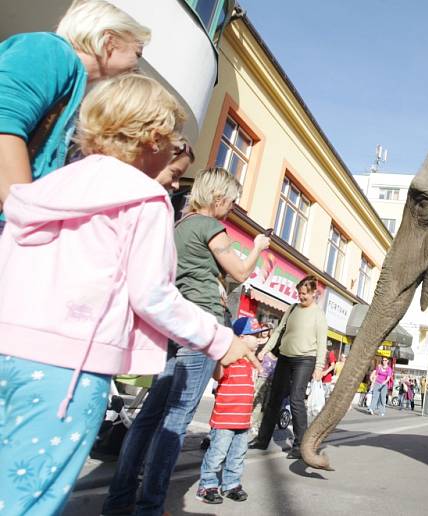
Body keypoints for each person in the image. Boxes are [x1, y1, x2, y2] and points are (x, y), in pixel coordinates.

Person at [0, 73, 258, 515]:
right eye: (173, 139)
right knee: (35, 497)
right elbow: (152, 295)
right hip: (70, 371)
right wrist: (222, 340)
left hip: (10, 352)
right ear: (153, 138)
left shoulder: (51, 185)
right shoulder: (145, 199)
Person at [103, 168, 270, 515]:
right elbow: (240, 272)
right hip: (202, 325)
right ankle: (150, 506)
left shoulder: (178, 227)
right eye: (232, 200)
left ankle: (118, 501)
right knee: (177, 420)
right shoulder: (210, 226)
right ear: (220, 197)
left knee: (150, 416)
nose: (232, 207)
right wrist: (256, 248)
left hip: (175, 325)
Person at [0, 0, 150, 234]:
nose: (136, 67)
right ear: (109, 41)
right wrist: (27, 220)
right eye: (137, 53)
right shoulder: (49, 50)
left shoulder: (74, 82)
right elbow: (4, 125)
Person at [249, 275, 328, 458]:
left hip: (305, 360)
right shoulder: (292, 309)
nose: (301, 297)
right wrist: (265, 350)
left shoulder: (319, 315)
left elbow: (322, 344)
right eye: (299, 293)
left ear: (314, 293)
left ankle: (300, 445)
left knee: (296, 400)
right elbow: (278, 331)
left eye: (304, 294)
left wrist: (318, 368)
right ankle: (262, 440)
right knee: (274, 399)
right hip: (284, 357)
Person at [197, 317, 264, 505]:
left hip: (243, 421)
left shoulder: (251, 362)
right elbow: (217, 375)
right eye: (254, 336)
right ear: (241, 338)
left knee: (238, 455)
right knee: (217, 453)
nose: (258, 340)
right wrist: (221, 357)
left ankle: (231, 485)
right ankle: (207, 486)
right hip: (225, 420)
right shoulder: (229, 359)